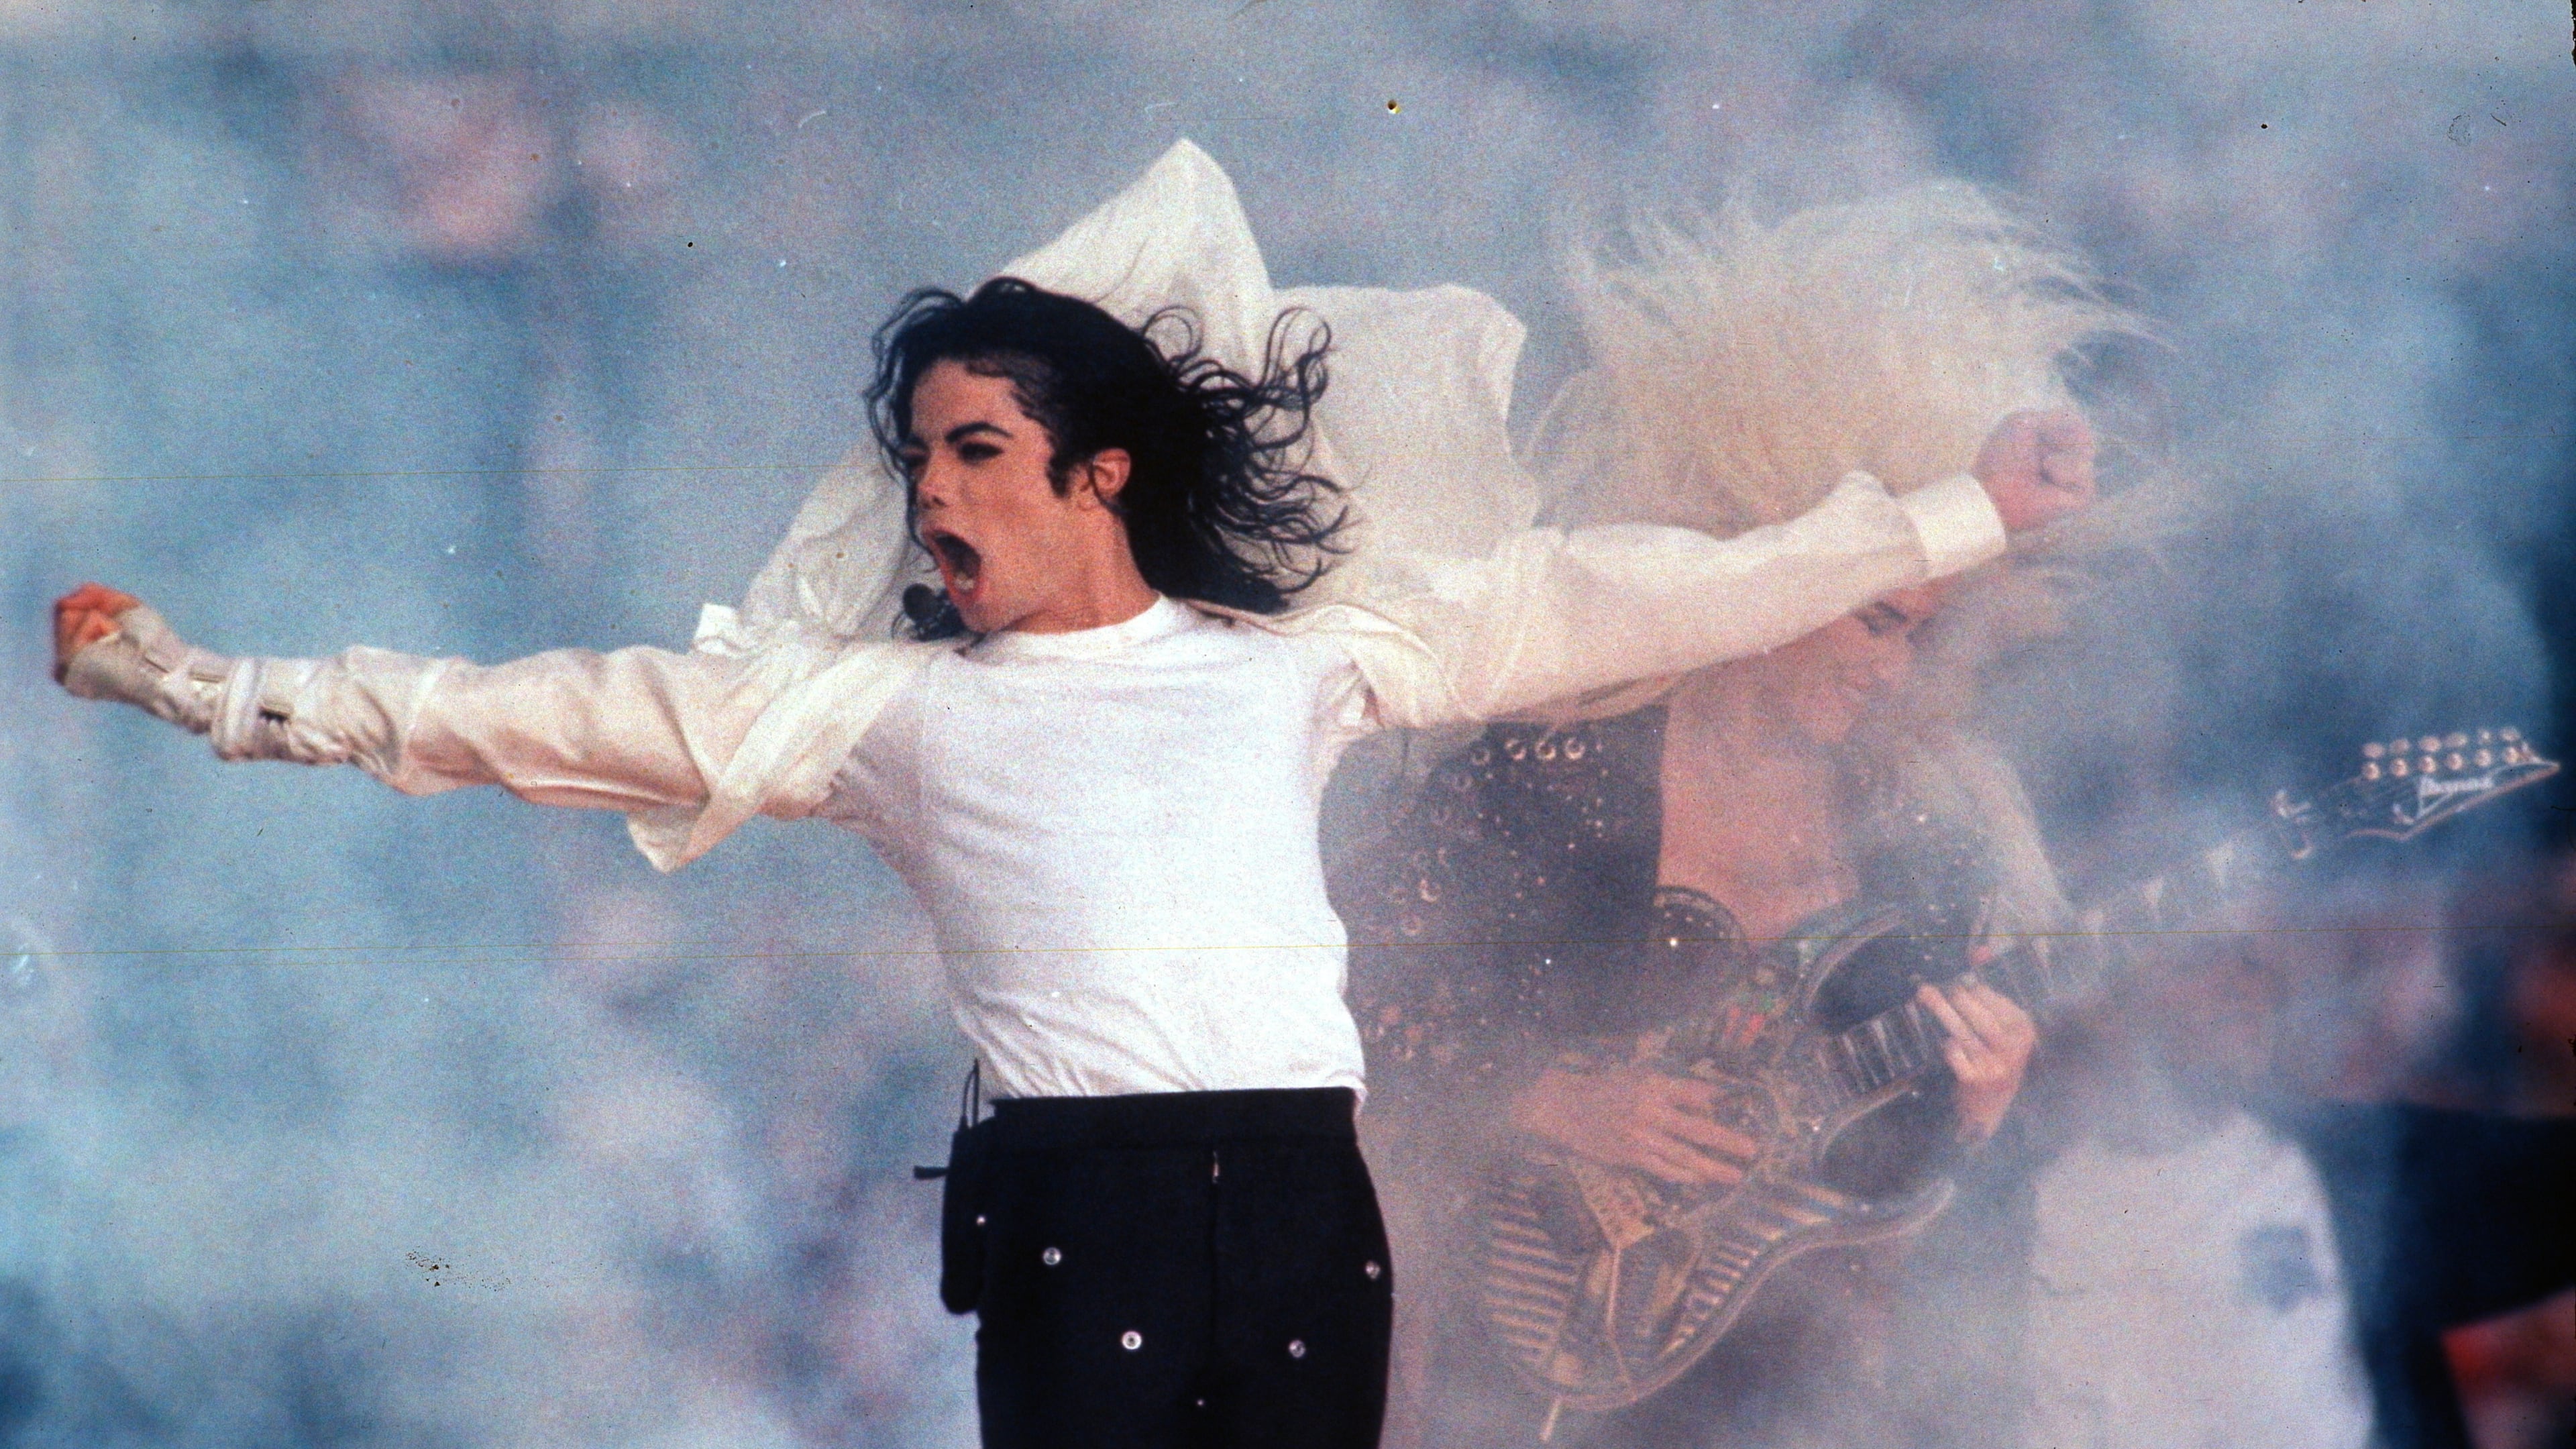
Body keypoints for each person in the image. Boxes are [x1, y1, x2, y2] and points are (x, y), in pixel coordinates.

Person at [48, 144, 2088, 1449]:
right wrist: (212, 688)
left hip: (1305, 1206)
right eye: (915, 461)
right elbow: (531, 712)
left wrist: (1948, 517)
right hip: (1085, 1215)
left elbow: (1634, 589)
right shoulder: (884, 714)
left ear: (1098, 471)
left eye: (974, 453)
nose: (930, 494)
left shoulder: (1299, 663)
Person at [1333, 185, 2127, 1448]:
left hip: (1789, 1390)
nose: (1894, 670)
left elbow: (1918, 1227)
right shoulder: (1551, 767)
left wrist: (1982, 1115)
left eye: (1929, 636)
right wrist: (1542, 1097)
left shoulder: (1932, 841)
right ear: (1780, 565)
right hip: (1513, 1365)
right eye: (1875, 613)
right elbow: (1330, 1004)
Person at [1887, 879, 2576, 1449]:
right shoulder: (1998, 1212)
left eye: (2255, 960)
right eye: (2205, 957)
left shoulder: (2360, 1169)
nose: (2246, 986)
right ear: (2097, 995)